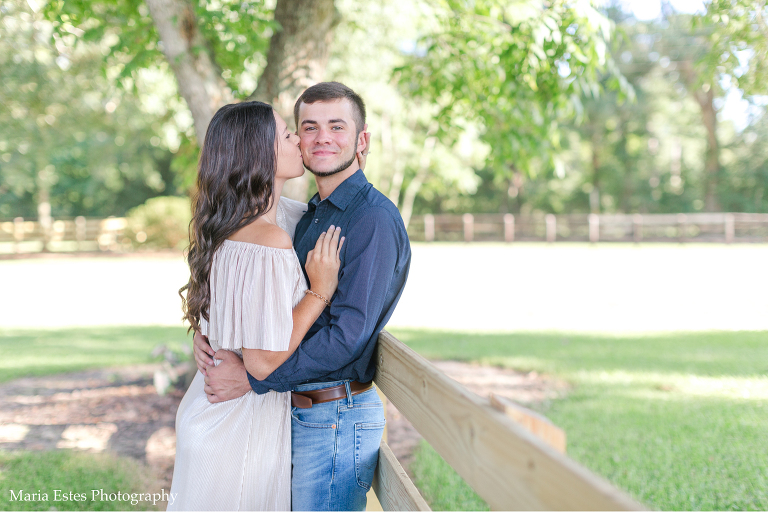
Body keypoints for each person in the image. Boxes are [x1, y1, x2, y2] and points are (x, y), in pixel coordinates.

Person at [193, 82, 412, 511]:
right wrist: (215, 336)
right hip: (295, 413)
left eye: (336, 126)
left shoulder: (373, 220)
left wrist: (254, 377)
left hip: (334, 416)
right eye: (308, 128)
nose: (321, 138)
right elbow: (243, 269)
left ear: (361, 140)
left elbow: (346, 336)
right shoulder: (306, 214)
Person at [169, 100, 348, 510]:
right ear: (258, 155)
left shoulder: (255, 219)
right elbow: (263, 363)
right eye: (287, 134)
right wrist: (318, 292)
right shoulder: (268, 239)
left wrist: (206, 334)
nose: (299, 140)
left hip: (214, 410)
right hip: (235, 428)